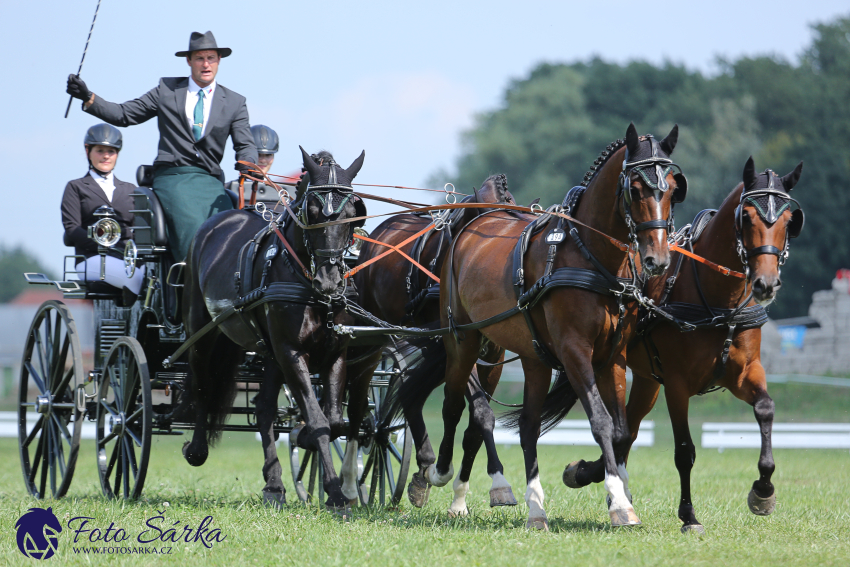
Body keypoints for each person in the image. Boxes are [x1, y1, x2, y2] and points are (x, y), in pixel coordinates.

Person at [66, 31, 258, 261]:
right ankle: (189, 279)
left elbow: (245, 144)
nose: (206, 64)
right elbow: (125, 114)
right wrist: (88, 97)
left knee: (230, 229)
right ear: (189, 61)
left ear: (219, 61)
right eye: (199, 58)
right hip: (173, 177)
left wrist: (249, 165)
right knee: (195, 229)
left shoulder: (235, 102)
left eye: (211, 58)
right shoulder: (167, 91)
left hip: (209, 181)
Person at [61, 124, 145, 296]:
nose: (106, 156)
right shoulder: (75, 187)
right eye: (100, 150)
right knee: (134, 279)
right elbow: (72, 228)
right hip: (92, 258)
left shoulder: (130, 189)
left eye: (111, 151)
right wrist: (107, 245)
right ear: (88, 151)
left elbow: (139, 230)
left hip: (128, 258)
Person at [226, 124, 282, 203]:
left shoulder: (282, 194)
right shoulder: (228, 190)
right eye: (258, 155)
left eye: (268, 155)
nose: (263, 160)